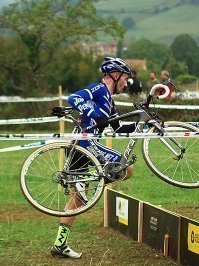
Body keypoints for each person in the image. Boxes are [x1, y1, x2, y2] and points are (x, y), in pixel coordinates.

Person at [51, 57, 136, 259]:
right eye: (125, 77)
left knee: (78, 199)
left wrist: (142, 123)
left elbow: (119, 128)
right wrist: (93, 113)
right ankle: (100, 179)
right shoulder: (99, 89)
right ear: (115, 76)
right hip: (83, 146)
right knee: (126, 169)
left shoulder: (110, 101)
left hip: (87, 148)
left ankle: (59, 244)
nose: (126, 82)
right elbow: (73, 98)